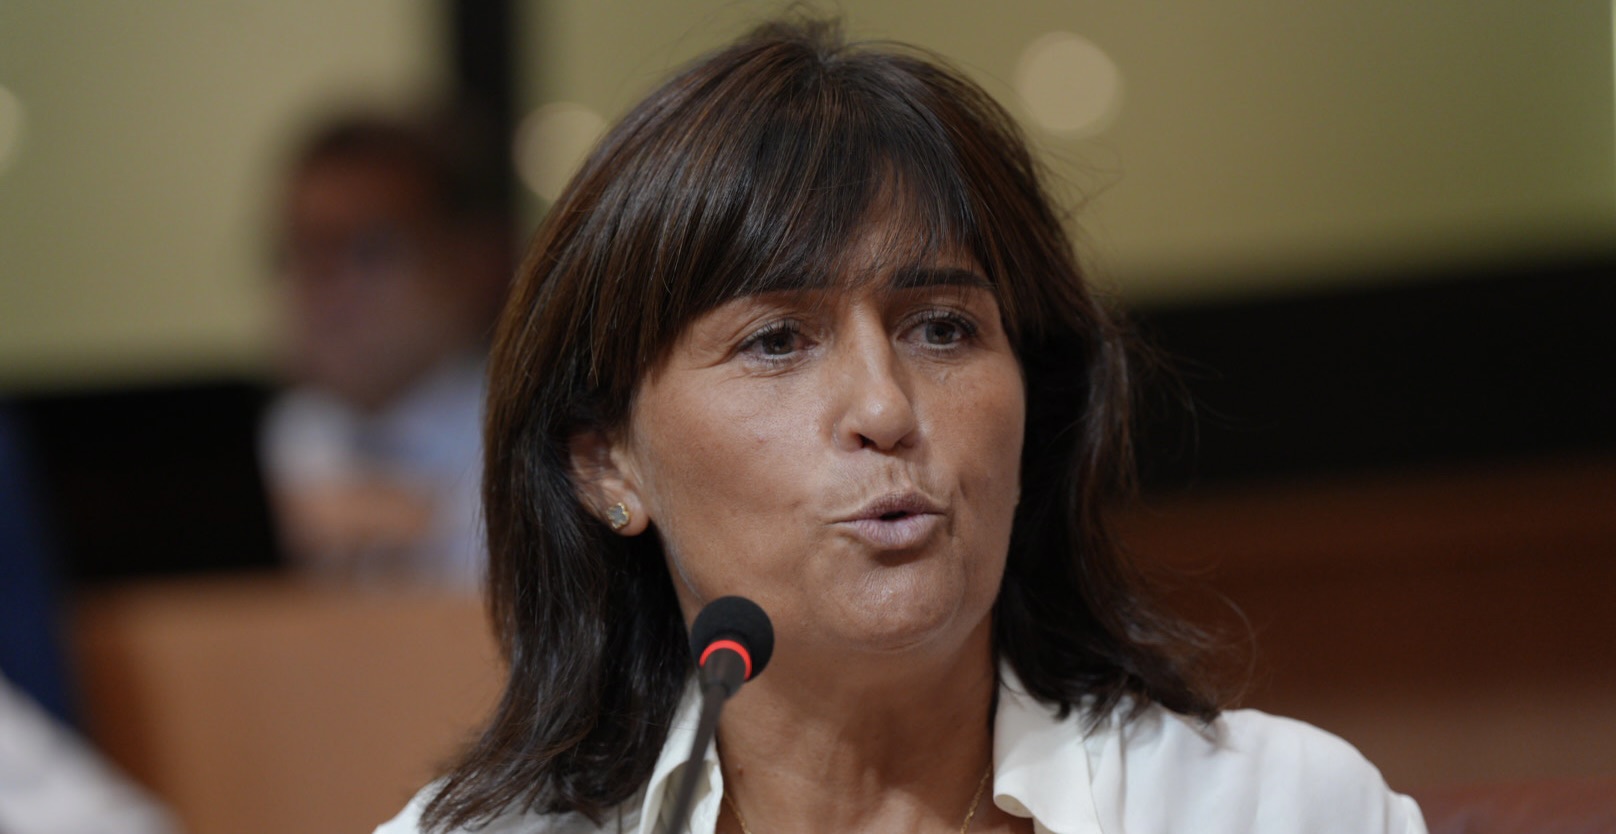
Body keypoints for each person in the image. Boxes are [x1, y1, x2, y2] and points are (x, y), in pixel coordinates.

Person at [378, 20, 1427, 834]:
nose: (885, 409)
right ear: (606, 464)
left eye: (942, 328)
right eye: (776, 341)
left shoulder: (1271, 808)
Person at [261, 110, 510, 588]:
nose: (323, 280)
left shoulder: (533, 440)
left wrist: (438, 524)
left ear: (470, 263)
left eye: (367, 250)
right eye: (302, 249)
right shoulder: (273, 449)